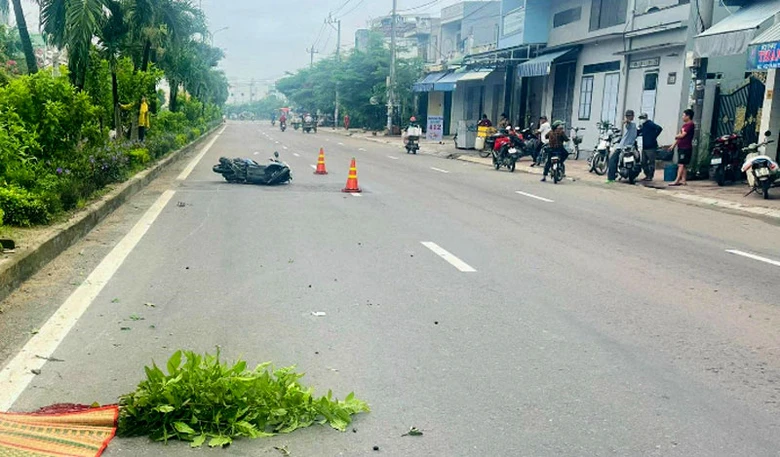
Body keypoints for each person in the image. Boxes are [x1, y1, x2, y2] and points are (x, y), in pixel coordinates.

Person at [607, 110, 638, 183]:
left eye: (630, 116)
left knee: (612, 160)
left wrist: (627, 121)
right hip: (624, 147)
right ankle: (611, 178)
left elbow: (629, 124)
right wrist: (626, 121)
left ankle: (611, 178)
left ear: (633, 116)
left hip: (626, 147)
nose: (629, 117)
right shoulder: (631, 125)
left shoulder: (633, 125)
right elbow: (627, 124)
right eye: (627, 116)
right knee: (613, 160)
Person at [669, 109, 695, 186]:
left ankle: (677, 180)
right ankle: (683, 180)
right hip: (681, 147)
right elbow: (679, 137)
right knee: (683, 164)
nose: (682, 117)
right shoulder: (684, 125)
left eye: (683, 115)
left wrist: (676, 135)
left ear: (688, 116)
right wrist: (673, 145)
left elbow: (682, 135)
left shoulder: (690, 125)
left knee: (681, 164)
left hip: (686, 148)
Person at [638, 113, 663, 181]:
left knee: (651, 162)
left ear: (645, 118)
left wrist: (654, 136)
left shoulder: (650, 123)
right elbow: (639, 132)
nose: (641, 120)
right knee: (643, 162)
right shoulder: (643, 126)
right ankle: (647, 174)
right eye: (640, 118)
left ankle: (650, 176)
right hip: (644, 146)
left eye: (642, 118)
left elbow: (659, 128)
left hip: (651, 146)